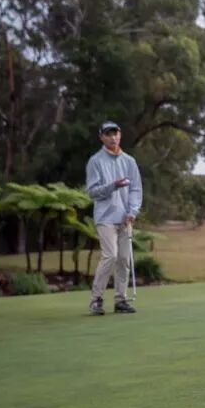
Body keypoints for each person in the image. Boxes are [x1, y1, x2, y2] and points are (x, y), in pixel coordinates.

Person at [86, 121, 143, 314]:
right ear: (101, 137)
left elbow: (136, 189)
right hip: (105, 217)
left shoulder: (129, 161)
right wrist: (113, 186)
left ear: (120, 135)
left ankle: (120, 300)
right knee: (110, 256)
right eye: (108, 134)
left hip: (125, 217)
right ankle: (96, 299)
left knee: (124, 259)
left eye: (115, 133)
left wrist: (133, 211)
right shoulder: (95, 161)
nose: (112, 137)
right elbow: (92, 192)